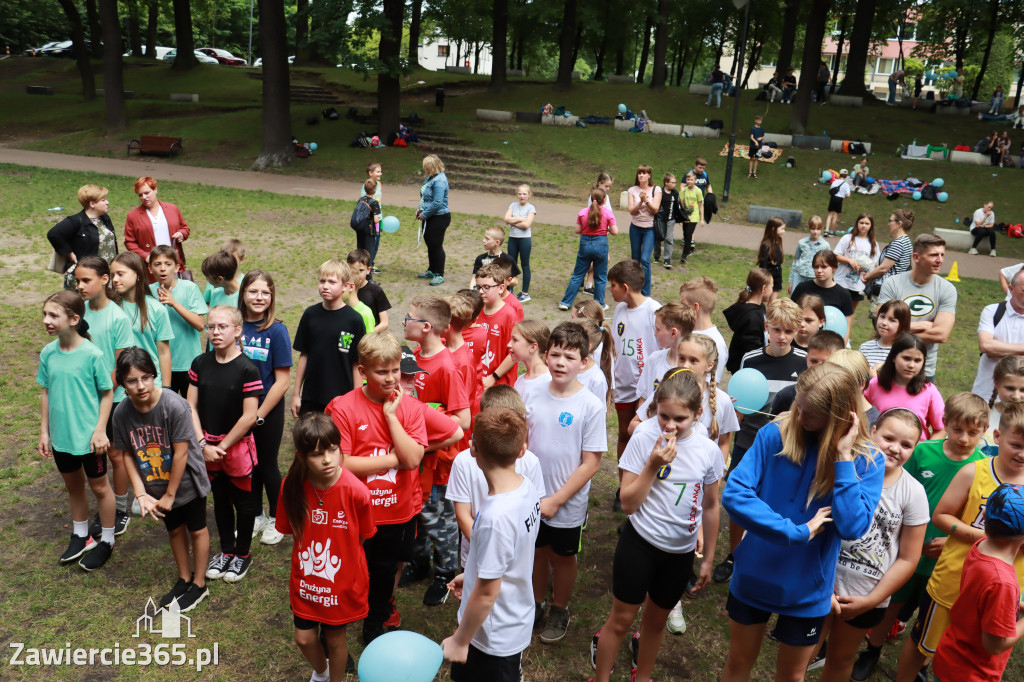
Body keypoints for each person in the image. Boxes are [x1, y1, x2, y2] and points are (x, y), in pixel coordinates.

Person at [720, 362, 884, 681]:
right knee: (738, 663)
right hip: (753, 577)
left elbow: (852, 527)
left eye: (809, 413)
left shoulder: (866, 460)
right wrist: (795, 531)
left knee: (792, 676)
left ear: (838, 417)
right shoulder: (774, 435)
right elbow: (735, 494)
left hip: (808, 593)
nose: (798, 416)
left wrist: (843, 459)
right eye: (799, 405)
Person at [590, 370, 721, 682]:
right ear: (655, 408)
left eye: (680, 418)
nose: (670, 426)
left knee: (655, 623)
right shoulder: (645, 437)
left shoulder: (708, 450)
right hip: (640, 545)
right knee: (620, 621)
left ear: (698, 414)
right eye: (664, 415)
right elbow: (627, 503)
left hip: (679, 553)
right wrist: (652, 465)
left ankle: (643, 675)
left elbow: (711, 505)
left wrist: (710, 558)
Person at [850, 392, 990, 681]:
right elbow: (896, 487)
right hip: (905, 545)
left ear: (985, 431)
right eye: (957, 429)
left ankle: (921, 664)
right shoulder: (923, 452)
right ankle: (872, 649)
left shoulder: (983, 467)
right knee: (893, 600)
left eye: (973, 432)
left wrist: (951, 542)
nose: (964, 438)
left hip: (946, 553)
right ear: (945, 422)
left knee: (931, 611)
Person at [893, 401, 1024, 682]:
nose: (1022, 454)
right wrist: (991, 538)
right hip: (954, 579)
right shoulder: (974, 471)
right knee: (922, 643)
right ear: (997, 437)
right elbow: (940, 515)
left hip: (1004, 590)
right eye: (1016, 444)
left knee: (978, 653)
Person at [325, 332, 427, 644]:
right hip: (355, 509)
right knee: (348, 571)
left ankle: (374, 624)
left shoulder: (408, 407)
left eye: (395, 370)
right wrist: (390, 459)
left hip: (397, 512)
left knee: (384, 572)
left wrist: (391, 418)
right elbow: (339, 463)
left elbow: (411, 461)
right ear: (363, 372)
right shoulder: (343, 407)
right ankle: (335, 626)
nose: (391, 378)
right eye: (382, 372)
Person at [814, 408, 927, 681]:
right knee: (804, 651)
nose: (895, 448)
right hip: (819, 585)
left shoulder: (913, 493)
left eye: (906, 444)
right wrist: (819, 584)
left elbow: (909, 558)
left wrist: (872, 600)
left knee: (841, 659)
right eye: (889, 438)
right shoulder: (843, 470)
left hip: (864, 597)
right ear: (872, 431)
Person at [441, 408, 542, 682]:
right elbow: (512, 552)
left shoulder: (494, 518)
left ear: (473, 449)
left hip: (492, 637)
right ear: (522, 450)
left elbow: (486, 595)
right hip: (514, 617)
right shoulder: (528, 488)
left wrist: (460, 641)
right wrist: (472, 573)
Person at [713, 298, 808, 584]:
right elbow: (741, 404)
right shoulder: (750, 359)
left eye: (789, 332)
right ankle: (734, 555)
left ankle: (769, 552)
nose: (782, 337)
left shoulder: (804, 361)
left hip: (786, 444)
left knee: (775, 500)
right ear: (766, 326)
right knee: (741, 498)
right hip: (748, 442)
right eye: (776, 329)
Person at [277, 413, 375, 682]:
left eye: (333, 449)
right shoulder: (291, 487)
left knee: (335, 640)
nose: (328, 459)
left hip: (342, 583)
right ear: (300, 456)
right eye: (317, 454)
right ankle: (320, 673)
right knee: (304, 638)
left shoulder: (357, 492)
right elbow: (289, 530)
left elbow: (363, 536)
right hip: (306, 581)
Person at [112, 347, 211, 611]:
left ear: (154, 375)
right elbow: (127, 455)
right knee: (174, 530)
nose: (140, 386)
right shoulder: (121, 413)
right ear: (122, 383)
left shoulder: (174, 405)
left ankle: (199, 584)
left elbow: (181, 454)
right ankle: (184, 577)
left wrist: (170, 495)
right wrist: (141, 493)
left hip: (187, 481)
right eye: (131, 381)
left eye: (145, 377)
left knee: (197, 529)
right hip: (155, 484)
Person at [527, 323, 607, 644]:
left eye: (569, 357)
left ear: (584, 363)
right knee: (535, 552)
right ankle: (535, 604)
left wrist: (558, 499)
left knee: (562, 557)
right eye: (555, 354)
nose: (561, 362)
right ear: (545, 356)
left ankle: (559, 607)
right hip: (532, 495)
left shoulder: (590, 405)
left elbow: (591, 462)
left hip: (566, 502)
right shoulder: (531, 391)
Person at [37, 290, 115, 570]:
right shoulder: (48, 353)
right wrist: (45, 432)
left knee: (99, 487)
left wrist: (100, 431)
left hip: (90, 440)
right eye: (45, 314)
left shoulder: (93, 354)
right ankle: (81, 535)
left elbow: (107, 394)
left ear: (73, 319)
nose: (47, 320)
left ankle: (106, 540)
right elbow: (46, 392)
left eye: (53, 315)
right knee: (73, 487)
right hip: (61, 437)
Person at [188, 305, 263, 584]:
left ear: (238, 330)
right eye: (211, 327)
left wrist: (221, 446)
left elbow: (249, 416)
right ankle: (226, 551)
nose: (216, 332)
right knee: (219, 500)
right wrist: (202, 443)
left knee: (244, 502)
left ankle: (242, 554)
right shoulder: (200, 363)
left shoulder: (247, 369)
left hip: (236, 447)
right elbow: (190, 406)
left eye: (222, 327)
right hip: (207, 445)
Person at [404, 295, 471, 606]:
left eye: (409, 318)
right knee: (415, 515)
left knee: (439, 520)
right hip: (415, 459)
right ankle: (419, 564)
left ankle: (446, 573)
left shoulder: (447, 366)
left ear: (427, 327)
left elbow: (463, 419)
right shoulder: (415, 355)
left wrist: (425, 446)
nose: (404, 322)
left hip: (439, 464)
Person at [932, 483, 1024, 681]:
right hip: (972, 673)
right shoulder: (1003, 583)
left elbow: (982, 599)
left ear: (985, 517)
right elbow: (994, 645)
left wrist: (1014, 606)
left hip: (952, 655)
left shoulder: (981, 546)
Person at [111, 251, 174, 526]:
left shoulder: (156, 309)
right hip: (117, 389)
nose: (114, 280)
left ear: (138, 275)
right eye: (111, 274)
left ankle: (155, 492)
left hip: (151, 388)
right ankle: (124, 505)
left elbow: (163, 352)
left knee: (150, 445)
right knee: (121, 449)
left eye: (120, 274)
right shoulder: (110, 310)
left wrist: (167, 388)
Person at [238, 270, 292, 546]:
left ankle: (277, 517)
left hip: (265, 412)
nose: (259, 297)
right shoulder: (235, 327)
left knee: (267, 465)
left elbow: (282, 381)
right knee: (247, 466)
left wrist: (258, 416)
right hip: (238, 412)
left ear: (272, 297)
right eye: (253, 291)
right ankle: (256, 514)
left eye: (265, 293)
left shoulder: (276, 330)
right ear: (243, 293)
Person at [609, 260, 661, 501]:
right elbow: (616, 345)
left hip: (648, 391)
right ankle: (624, 487)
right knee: (624, 435)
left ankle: (645, 488)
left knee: (644, 438)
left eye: (613, 285)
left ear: (626, 287)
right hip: (622, 386)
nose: (610, 289)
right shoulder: (620, 309)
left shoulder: (653, 311)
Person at [290, 259, 366, 416]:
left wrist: (357, 401)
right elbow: (304, 356)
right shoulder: (310, 315)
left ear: (346, 286)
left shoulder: (354, 320)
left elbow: (356, 364)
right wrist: (296, 394)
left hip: (341, 399)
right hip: (311, 396)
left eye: (332, 282)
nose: (325, 286)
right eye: (322, 281)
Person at [878, 234, 957, 381]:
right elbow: (881, 324)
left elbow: (940, 334)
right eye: (934, 255)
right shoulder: (892, 283)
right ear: (916, 257)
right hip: (889, 363)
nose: (940, 260)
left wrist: (896, 332)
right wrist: (920, 325)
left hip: (923, 370)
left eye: (942, 255)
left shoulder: (947, 289)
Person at [149, 245, 207, 397]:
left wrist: (173, 303)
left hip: (189, 363)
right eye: (157, 264)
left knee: (191, 410)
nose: (163, 269)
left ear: (177, 267)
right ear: (150, 269)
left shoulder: (190, 288)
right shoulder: (147, 292)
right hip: (161, 367)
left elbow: (200, 325)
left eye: (168, 264)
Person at [864, 333, 945, 440]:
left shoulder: (929, 391)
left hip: (914, 454)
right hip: (878, 452)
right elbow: (861, 415)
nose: (911, 365)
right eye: (906, 358)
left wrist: (923, 452)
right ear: (893, 357)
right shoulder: (874, 384)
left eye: (917, 360)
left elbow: (941, 428)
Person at [47, 184, 118, 290]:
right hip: (85, 279)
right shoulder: (76, 221)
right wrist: (68, 252)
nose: (107, 202)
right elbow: (54, 234)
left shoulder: (104, 218)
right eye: (103, 200)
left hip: (105, 274)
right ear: (92, 204)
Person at [558, 188, 617, 311]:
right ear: (604, 200)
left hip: (585, 243)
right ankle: (599, 304)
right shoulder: (607, 213)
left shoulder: (583, 212)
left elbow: (577, 230)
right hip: (601, 244)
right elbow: (615, 231)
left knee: (578, 275)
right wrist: (607, 229)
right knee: (600, 277)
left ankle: (566, 302)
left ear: (590, 199)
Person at [972, 268, 1024, 400]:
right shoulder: (993, 311)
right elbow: (986, 346)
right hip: (985, 393)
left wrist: (998, 351)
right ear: (1011, 289)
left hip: (1020, 398)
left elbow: (992, 348)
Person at [124, 176, 189, 277]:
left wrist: (182, 234)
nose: (144, 197)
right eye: (140, 195)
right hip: (152, 266)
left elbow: (185, 228)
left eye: (147, 193)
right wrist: (145, 256)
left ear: (155, 190)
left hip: (172, 261)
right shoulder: (133, 216)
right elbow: (130, 242)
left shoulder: (172, 208)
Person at [634, 303, 695, 407]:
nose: (655, 334)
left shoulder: (695, 368)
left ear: (673, 333)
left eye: (658, 329)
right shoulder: (654, 359)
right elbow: (643, 400)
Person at [791, 250, 855, 343]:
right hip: (801, 342)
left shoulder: (843, 294)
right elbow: (790, 315)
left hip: (828, 344)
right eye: (816, 267)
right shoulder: (802, 288)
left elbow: (846, 327)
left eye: (824, 267)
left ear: (834, 268)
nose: (819, 270)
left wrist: (840, 350)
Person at [476, 263, 520, 388]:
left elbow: (514, 352)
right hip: (479, 378)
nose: (481, 291)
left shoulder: (509, 314)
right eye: (478, 287)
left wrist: (494, 376)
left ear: (501, 288)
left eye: (486, 287)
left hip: (499, 382)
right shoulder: (477, 309)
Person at [679, 276, 729, 382]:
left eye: (683, 304)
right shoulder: (684, 331)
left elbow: (711, 385)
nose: (680, 309)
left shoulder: (716, 343)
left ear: (695, 307)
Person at [723, 268, 772, 373]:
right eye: (772, 287)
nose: (772, 290)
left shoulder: (760, 307)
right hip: (745, 368)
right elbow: (750, 349)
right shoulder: (751, 317)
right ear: (764, 288)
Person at [626, 165, 662, 297]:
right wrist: (640, 202)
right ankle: (634, 288)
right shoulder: (632, 190)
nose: (641, 175)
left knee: (645, 259)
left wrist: (646, 201)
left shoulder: (656, 190)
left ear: (649, 175)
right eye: (639, 173)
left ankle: (646, 292)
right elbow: (631, 211)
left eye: (644, 173)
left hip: (649, 229)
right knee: (635, 260)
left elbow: (655, 209)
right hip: (635, 227)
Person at [415, 154, 451, 287]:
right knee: (430, 243)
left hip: (439, 217)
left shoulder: (440, 180)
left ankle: (439, 274)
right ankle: (431, 269)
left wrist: (424, 214)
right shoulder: (430, 178)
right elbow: (424, 196)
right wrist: (419, 209)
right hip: (429, 215)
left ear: (431, 167)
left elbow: (437, 202)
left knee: (436, 245)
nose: (424, 169)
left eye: (426, 166)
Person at [862, 209, 915, 296]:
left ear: (899, 224)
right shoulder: (907, 240)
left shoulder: (898, 243)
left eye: (891, 221)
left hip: (888, 289)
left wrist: (867, 276)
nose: (888, 224)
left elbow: (883, 268)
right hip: (897, 287)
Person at [834, 213, 879, 315]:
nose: (863, 225)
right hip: (841, 281)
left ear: (871, 226)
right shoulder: (847, 238)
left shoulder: (873, 243)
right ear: (857, 224)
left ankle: (847, 331)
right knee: (836, 308)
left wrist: (865, 267)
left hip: (857, 284)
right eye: (861, 222)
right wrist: (849, 260)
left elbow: (875, 264)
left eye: (867, 223)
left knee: (850, 312)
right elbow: (836, 255)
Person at [859, 299, 912, 374]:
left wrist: (875, 378)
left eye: (892, 320)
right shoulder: (865, 348)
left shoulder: (905, 351)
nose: (884, 323)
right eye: (882, 317)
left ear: (902, 325)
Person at [504, 184, 536, 303]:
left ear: (529, 195)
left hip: (525, 240)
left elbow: (526, 225)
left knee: (525, 265)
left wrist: (513, 221)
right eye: (520, 194)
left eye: (524, 194)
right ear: (517, 194)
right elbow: (506, 218)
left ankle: (525, 293)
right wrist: (522, 219)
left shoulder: (531, 208)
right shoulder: (512, 205)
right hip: (513, 238)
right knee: (511, 265)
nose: (522, 196)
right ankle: (510, 290)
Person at [347, 249, 391, 333]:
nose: (357, 274)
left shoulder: (376, 291)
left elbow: (384, 323)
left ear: (368, 270)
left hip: (370, 339)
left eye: (361, 270)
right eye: (352, 270)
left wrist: (367, 334)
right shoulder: (344, 291)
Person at [509, 320, 551, 400]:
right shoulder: (520, 380)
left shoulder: (548, 382)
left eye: (515, 340)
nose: (509, 344)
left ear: (533, 347)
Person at [788, 215, 828, 292]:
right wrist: (791, 280)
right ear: (809, 228)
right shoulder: (801, 243)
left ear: (821, 229)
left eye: (818, 229)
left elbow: (828, 264)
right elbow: (796, 260)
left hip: (814, 277)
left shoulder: (825, 245)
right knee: (794, 298)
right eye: (813, 229)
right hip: (799, 275)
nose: (815, 232)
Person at [652, 173, 682, 268]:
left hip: (670, 220)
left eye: (675, 183)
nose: (674, 184)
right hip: (660, 220)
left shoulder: (675, 193)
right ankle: (656, 256)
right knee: (658, 238)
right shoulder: (660, 192)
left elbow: (678, 207)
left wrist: (680, 218)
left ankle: (667, 259)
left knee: (668, 239)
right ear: (666, 182)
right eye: (672, 182)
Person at [360, 162, 384, 273]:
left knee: (377, 239)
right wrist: (373, 215)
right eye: (378, 171)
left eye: (380, 171)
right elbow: (364, 202)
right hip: (372, 220)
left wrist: (379, 216)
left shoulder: (379, 184)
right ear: (370, 173)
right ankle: (368, 264)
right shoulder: (366, 186)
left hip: (379, 219)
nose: (380, 173)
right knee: (371, 240)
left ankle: (371, 263)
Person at [677, 171, 704, 265]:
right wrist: (681, 217)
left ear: (695, 181)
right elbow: (682, 204)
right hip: (685, 216)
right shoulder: (683, 191)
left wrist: (702, 219)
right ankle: (688, 248)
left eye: (691, 180)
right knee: (685, 234)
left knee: (689, 234)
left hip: (694, 216)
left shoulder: (698, 191)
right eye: (688, 179)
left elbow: (701, 205)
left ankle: (684, 255)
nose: (689, 181)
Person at [756, 217, 785, 302]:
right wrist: (766, 279)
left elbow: (779, 259)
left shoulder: (779, 241)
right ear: (773, 228)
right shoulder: (766, 245)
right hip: (768, 277)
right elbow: (763, 265)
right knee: (763, 300)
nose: (784, 231)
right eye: (782, 229)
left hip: (777, 275)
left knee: (773, 302)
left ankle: (770, 315)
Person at [352, 179, 381, 262]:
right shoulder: (374, 203)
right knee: (368, 252)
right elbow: (376, 220)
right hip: (369, 230)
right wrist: (378, 230)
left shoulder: (360, 199)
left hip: (360, 227)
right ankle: (368, 273)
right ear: (375, 191)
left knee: (360, 249)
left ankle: (358, 266)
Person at [690, 157, 715, 227]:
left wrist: (710, 195)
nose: (702, 169)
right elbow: (682, 185)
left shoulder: (705, 174)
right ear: (695, 165)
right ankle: (690, 237)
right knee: (691, 219)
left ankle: (690, 236)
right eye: (700, 167)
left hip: (700, 200)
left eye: (703, 168)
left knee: (695, 220)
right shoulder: (690, 174)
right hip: (691, 200)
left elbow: (708, 185)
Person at [825, 170, 851, 236]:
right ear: (846, 176)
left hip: (833, 198)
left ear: (839, 174)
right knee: (835, 215)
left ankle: (826, 230)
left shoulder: (835, 181)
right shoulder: (846, 184)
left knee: (830, 214)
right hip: (839, 199)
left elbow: (831, 190)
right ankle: (831, 231)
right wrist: (844, 194)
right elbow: (848, 195)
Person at [748, 115, 765, 179]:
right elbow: (751, 137)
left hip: (759, 147)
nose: (759, 121)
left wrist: (761, 138)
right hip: (753, 146)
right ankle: (750, 172)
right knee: (751, 158)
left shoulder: (762, 129)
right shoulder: (753, 128)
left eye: (760, 120)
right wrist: (755, 142)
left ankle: (754, 172)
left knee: (756, 159)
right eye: (758, 120)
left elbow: (763, 136)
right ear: (755, 121)